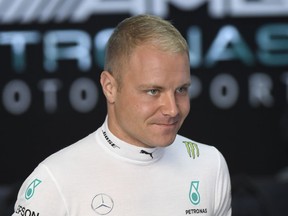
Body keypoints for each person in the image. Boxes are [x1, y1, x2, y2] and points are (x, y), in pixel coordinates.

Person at [11, 14, 231, 216]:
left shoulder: (209, 164)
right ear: (110, 87)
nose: (172, 109)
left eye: (181, 89)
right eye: (153, 91)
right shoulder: (55, 180)